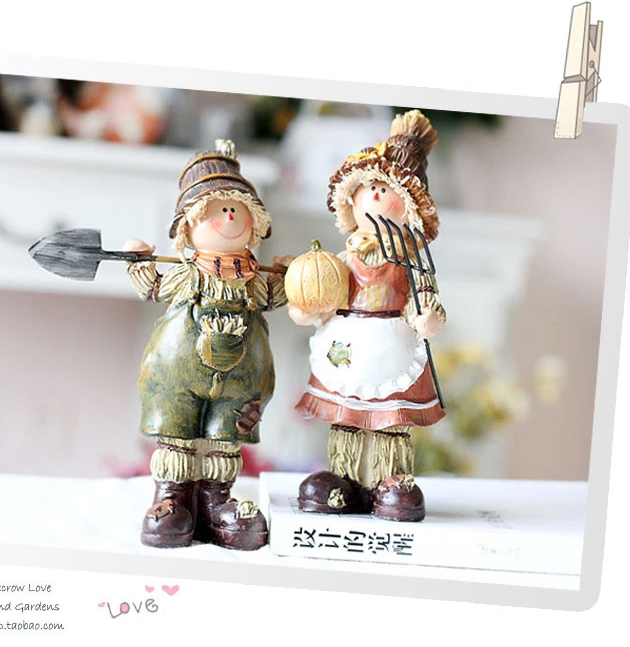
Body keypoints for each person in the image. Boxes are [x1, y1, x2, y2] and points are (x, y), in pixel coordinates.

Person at [125, 139, 290, 549]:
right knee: (177, 434)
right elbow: (155, 288)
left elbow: (273, 297)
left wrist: (290, 277)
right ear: (188, 226)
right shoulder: (188, 274)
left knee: (224, 439)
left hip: (241, 379)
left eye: (236, 208)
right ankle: (171, 497)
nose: (229, 216)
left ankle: (217, 500)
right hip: (177, 373)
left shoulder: (253, 280)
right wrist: (137, 264)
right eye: (217, 209)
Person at [289, 111, 445, 522]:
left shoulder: (410, 264)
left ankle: (390, 482)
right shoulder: (342, 259)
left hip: (392, 344)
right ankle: (344, 480)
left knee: (389, 422)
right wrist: (307, 310)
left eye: (385, 188)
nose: (375, 194)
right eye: (369, 187)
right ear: (352, 200)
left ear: (409, 206)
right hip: (347, 344)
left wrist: (427, 318)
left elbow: (425, 302)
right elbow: (324, 295)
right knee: (348, 416)